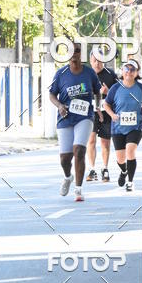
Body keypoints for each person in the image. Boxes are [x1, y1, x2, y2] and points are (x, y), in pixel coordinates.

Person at [49, 43, 102, 202]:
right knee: (65, 159)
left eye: (77, 50)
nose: (74, 54)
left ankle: (78, 190)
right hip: (65, 118)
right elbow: (51, 95)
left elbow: (97, 92)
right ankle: (67, 177)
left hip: (84, 116)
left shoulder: (89, 72)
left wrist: (97, 107)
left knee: (79, 150)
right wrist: (59, 106)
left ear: (81, 54)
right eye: (70, 51)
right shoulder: (61, 73)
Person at [104, 59, 142, 192]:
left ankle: (130, 181)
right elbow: (106, 104)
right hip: (118, 127)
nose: (129, 72)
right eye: (127, 69)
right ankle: (124, 171)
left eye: (132, 70)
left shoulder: (141, 88)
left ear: (136, 73)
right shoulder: (115, 88)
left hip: (135, 126)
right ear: (122, 71)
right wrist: (112, 115)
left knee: (130, 150)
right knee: (120, 158)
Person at [86, 50, 118, 182]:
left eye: (99, 60)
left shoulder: (111, 75)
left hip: (107, 113)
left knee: (105, 142)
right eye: (94, 60)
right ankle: (92, 169)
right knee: (91, 140)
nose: (97, 63)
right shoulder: (86, 74)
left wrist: (107, 91)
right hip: (91, 111)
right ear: (90, 60)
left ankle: (105, 168)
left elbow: (119, 95)